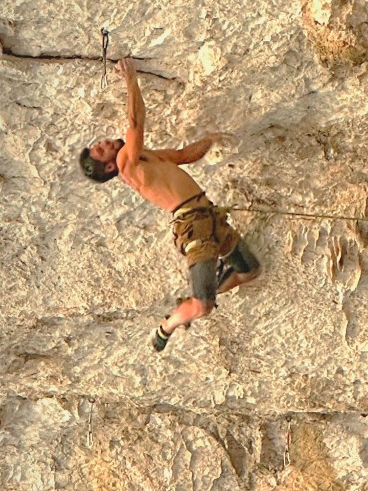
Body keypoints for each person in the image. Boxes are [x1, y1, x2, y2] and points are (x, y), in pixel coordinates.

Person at [79, 57, 261, 352]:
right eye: (101, 150)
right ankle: (166, 328)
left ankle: (200, 294)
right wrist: (131, 80)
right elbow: (136, 122)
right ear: (110, 167)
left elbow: (183, 156)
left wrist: (212, 139)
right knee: (203, 307)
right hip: (193, 226)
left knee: (250, 270)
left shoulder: (147, 158)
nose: (103, 142)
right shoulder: (127, 165)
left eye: (99, 143)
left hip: (208, 216)